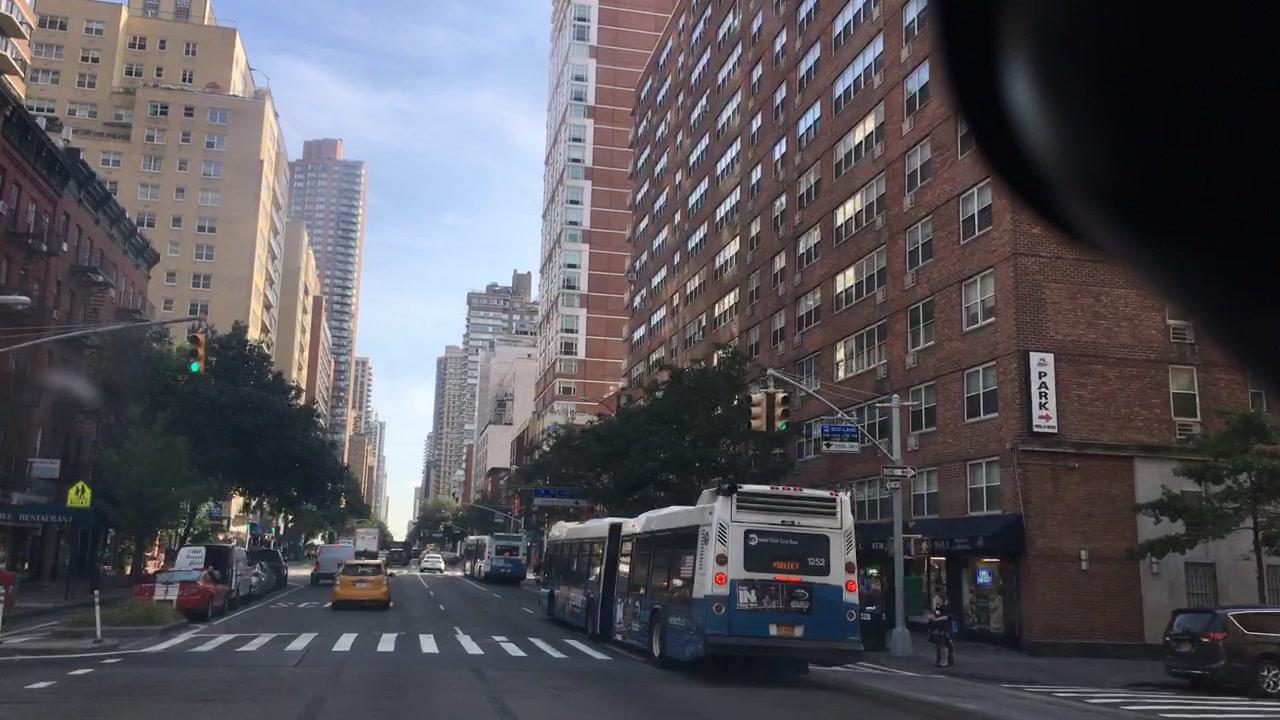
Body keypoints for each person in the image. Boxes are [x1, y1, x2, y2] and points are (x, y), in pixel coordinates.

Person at [928, 592, 955, 668]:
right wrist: (931, 617)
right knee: (940, 645)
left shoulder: (945, 608)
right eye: (935, 598)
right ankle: (941, 660)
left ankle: (945, 661)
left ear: (941, 599)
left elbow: (946, 617)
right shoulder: (937, 608)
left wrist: (936, 619)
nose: (936, 600)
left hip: (944, 628)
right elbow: (935, 614)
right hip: (938, 628)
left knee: (944, 644)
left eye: (937, 598)